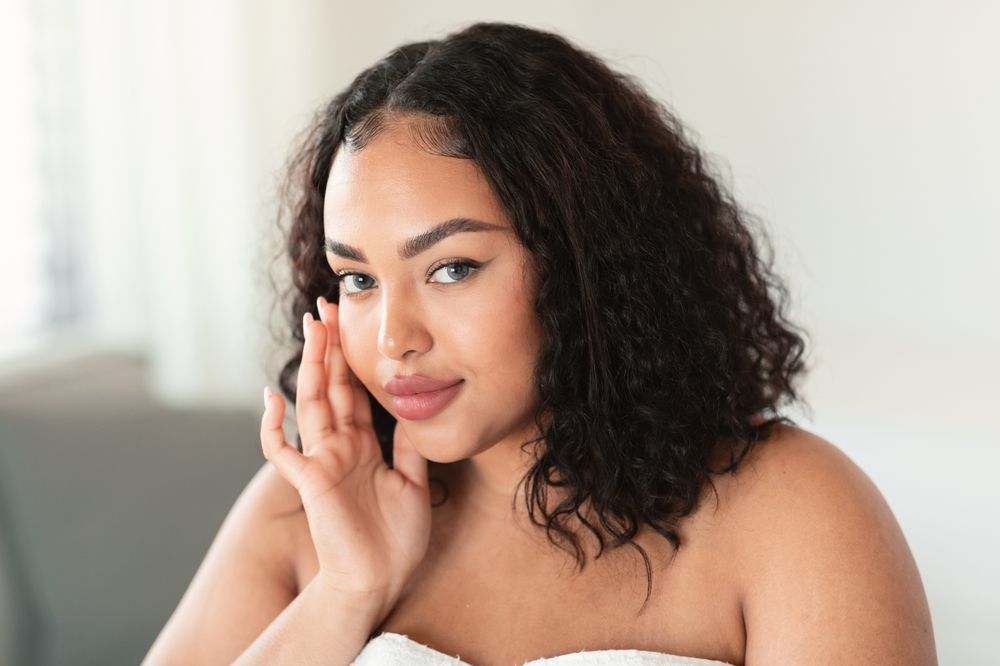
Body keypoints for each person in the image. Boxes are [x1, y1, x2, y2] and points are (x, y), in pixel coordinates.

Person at [143, 21, 936, 665]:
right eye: (358, 280)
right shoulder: (303, 512)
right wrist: (345, 593)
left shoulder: (795, 514)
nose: (394, 338)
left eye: (452, 268)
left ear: (584, 264)